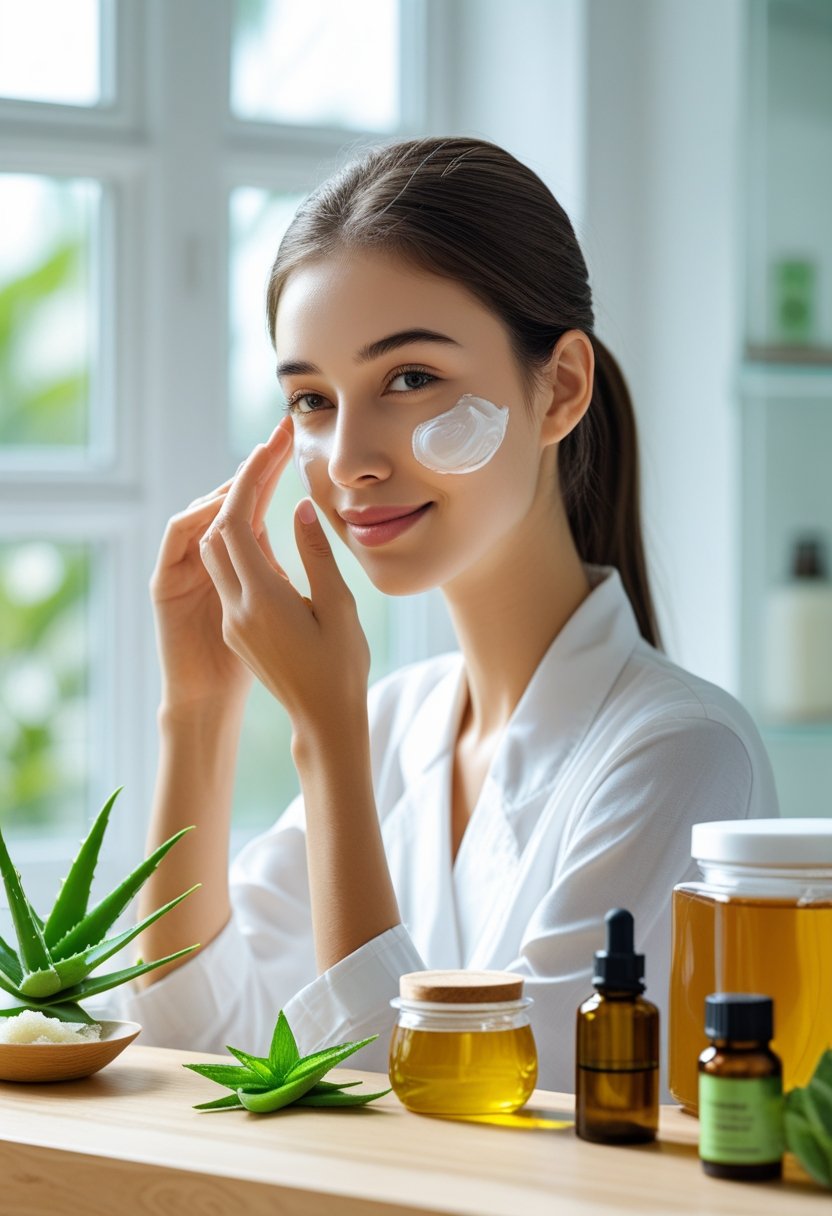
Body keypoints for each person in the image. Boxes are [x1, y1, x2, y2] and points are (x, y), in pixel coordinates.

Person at [107, 136, 778, 1100]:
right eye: (311, 400)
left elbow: (469, 1118)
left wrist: (328, 738)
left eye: (411, 378)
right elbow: (188, 1033)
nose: (348, 460)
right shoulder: (398, 721)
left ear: (562, 388)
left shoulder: (684, 754)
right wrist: (199, 711)